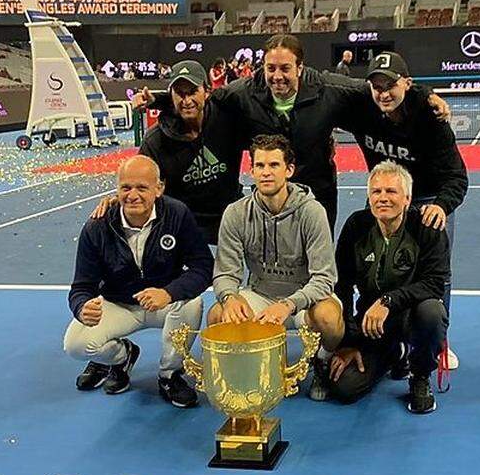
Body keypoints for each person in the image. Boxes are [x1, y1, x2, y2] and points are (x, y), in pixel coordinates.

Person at [137, 34, 449, 232]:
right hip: (270, 195)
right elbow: (199, 98)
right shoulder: (241, 93)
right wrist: (161, 98)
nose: (277, 76)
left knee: (320, 266)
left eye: (285, 68)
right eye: (271, 68)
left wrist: (424, 94)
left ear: (299, 67)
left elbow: (379, 88)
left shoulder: (330, 89)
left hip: (318, 195)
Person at [346, 51, 467, 367]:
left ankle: (437, 342)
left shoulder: (431, 120)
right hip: (386, 193)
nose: (383, 93)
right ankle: (384, 337)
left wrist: (442, 206)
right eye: (377, 86)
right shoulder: (363, 107)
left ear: (407, 84)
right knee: (378, 263)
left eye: (390, 85)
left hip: (428, 198)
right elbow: (330, 84)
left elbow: (457, 176)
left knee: (437, 271)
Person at [63, 155, 213, 408]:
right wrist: (81, 307)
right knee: (76, 345)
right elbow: (81, 287)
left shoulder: (177, 214)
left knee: (192, 304)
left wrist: (169, 292)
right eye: (126, 187)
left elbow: (203, 267)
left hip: (163, 304)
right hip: (119, 304)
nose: (133, 195)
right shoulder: (97, 227)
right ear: (117, 189)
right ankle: (121, 357)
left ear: (159, 188)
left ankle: (170, 375)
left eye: (142, 188)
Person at [208, 134, 345, 399]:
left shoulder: (312, 211)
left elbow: (325, 278)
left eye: (274, 165)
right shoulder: (235, 214)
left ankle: (323, 360)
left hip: (303, 298)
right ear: (252, 171)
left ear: (289, 170)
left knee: (329, 317)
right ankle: (248, 370)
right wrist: (229, 297)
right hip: (260, 294)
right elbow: (225, 273)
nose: (266, 173)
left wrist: (289, 304)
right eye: (260, 166)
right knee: (217, 315)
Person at [326, 161, 450, 413]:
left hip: (410, 317)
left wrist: (388, 301)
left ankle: (420, 375)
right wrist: (347, 342)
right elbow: (343, 285)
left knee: (432, 313)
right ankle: (394, 354)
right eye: (376, 191)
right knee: (344, 388)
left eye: (391, 192)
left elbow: (435, 283)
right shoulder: (356, 226)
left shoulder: (427, 227)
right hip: (371, 325)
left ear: (407, 198)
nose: (383, 198)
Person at [96, 60, 244, 244]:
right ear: (171, 96)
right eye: (180, 94)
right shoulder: (155, 140)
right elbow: (139, 177)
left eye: (192, 92)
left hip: (231, 218)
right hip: (185, 227)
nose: (187, 100)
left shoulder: (228, 120)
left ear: (206, 92)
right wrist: (118, 198)